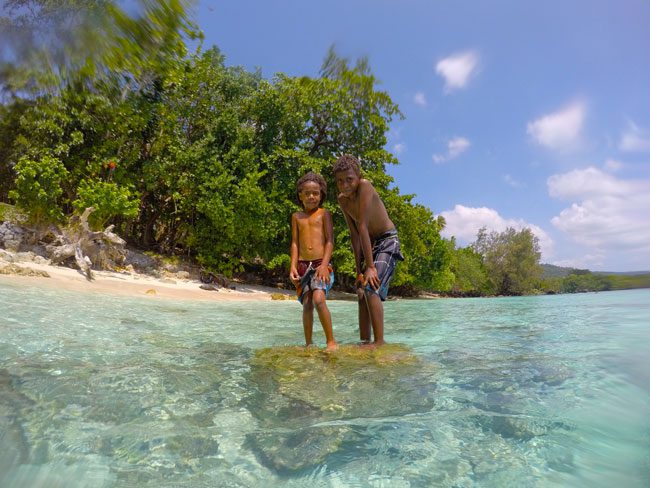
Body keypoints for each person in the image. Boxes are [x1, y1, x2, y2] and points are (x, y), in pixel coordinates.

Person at [333, 155, 404, 348]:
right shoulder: (343, 200)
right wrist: (358, 270)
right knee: (361, 291)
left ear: (358, 176)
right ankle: (365, 342)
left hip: (387, 240)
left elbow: (363, 225)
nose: (345, 184)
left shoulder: (365, 186)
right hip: (370, 244)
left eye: (349, 179)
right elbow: (354, 234)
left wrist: (371, 267)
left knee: (372, 286)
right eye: (340, 181)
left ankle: (379, 343)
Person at [289, 172, 338, 351]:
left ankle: (331, 341)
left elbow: (330, 241)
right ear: (300, 195)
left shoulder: (324, 214)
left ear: (321, 195)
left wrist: (325, 265)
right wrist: (293, 266)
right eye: (307, 193)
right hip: (302, 265)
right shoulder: (296, 217)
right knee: (307, 303)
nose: (311, 196)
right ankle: (309, 343)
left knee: (318, 299)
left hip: (320, 264)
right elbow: (294, 243)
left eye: (315, 193)